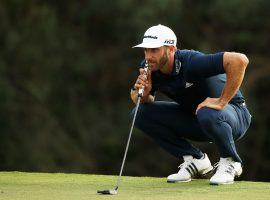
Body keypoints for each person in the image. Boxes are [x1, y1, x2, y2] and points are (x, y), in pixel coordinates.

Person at [130, 24, 252, 185]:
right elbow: (137, 98)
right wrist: (144, 94)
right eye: (146, 50)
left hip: (234, 116)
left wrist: (222, 100)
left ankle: (231, 162)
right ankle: (195, 159)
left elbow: (239, 60)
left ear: (171, 49)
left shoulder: (192, 62)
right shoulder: (149, 67)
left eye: (154, 50)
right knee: (139, 112)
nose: (148, 56)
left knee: (207, 111)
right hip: (198, 117)